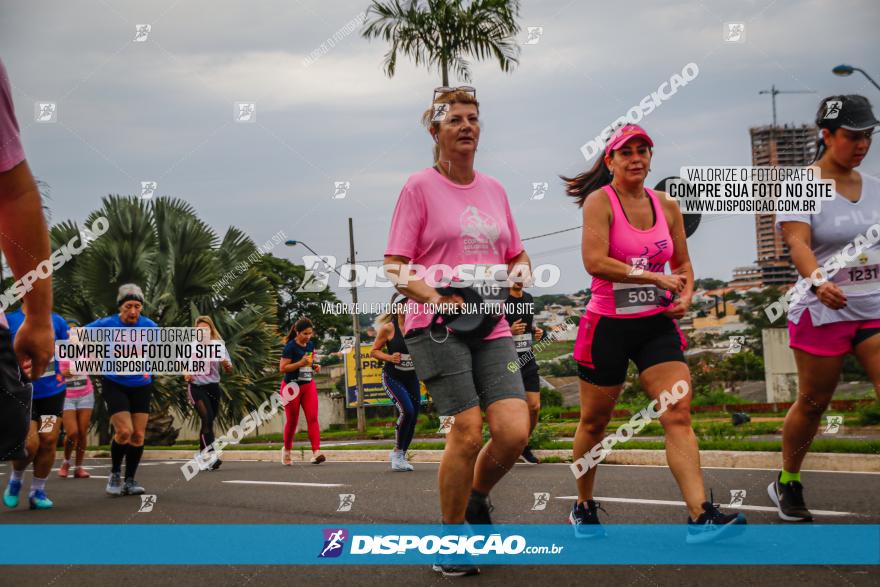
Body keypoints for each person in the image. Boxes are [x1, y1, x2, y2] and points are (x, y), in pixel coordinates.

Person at [563, 124, 745, 542]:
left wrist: (685, 293)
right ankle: (583, 506)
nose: (636, 158)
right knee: (594, 423)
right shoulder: (599, 202)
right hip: (607, 327)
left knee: (677, 413)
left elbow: (682, 264)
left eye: (643, 150)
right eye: (626, 152)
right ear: (610, 161)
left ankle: (700, 517)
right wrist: (650, 276)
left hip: (654, 327)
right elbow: (594, 261)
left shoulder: (667, 205)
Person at [383, 87, 531, 577]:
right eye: (454, 121)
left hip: (491, 323)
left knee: (512, 431)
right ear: (436, 131)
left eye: (472, 119)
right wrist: (433, 297)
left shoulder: (495, 190)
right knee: (467, 432)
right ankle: (449, 540)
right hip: (437, 325)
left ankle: (477, 498)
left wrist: (520, 273)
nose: (466, 126)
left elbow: (516, 253)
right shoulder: (418, 187)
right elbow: (395, 266)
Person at [770, 95, 880, 522]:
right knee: (814, 403)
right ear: (827, 135)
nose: (861, 145)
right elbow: (797, 242)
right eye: (852, 136)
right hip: (822, 309)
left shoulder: (875, 186)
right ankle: (789, 479)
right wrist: (818, 282)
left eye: (867, 137)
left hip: (873, 307)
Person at [0, 57, 55, 465]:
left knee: (36, 443)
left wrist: (40, 318)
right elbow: (12, 195)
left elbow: (12, 194)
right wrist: (36, 316)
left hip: (52, 392)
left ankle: (31, 485)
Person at [87, 284, 157, 496]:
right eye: (129, 306)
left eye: (137, 306)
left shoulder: (150, 326)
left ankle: (130, 480)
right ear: (120, 307)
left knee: (137, 436)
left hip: (141, 385)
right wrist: (92, 356)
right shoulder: (106, 324)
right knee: (124, 432)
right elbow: (77, 335)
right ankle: (115, 473)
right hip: (114, 383)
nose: (133, 311)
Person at [3, 310, 68, 509]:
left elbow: (66, 352)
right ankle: (16, 480)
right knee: (30, 445)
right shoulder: (10, 320)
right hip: (24, 395)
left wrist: (67, 368)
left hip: (51, 394)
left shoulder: (57, 321)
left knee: (48, 440)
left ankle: (37, 491)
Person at [370, 297, 421, 471]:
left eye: (411, 306)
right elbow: (374, 351)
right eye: (404, 306)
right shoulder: (388, 328)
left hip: (411, 378)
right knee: (407, 410)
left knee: (414, 416)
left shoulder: (418, 326)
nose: (407, 309)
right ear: (397, 307)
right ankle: (397, 452)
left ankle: (401, 455)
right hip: (393, 378)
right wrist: (390, 357)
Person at [504, 281, 544, 464]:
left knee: (534, 407)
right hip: (506, 360)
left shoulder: (528, 298)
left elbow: (528, 325)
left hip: (527, 358)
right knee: (511, 409)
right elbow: (488, 328)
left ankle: (522, 444)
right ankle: (510, 445)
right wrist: (509, 331)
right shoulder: (500, 298)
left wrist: (536, 331)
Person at [185, 315, 232, 471]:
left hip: (213, 387)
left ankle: (202, 456)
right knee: (207, 418)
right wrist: (186, 374)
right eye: (199, 330)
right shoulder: (190, 347)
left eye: (206, 329)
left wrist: (226, 364)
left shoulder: (218, 346)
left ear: (211, 330)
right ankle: (211, 457)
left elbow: (228, 369)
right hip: (196, 387)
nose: (203, 332)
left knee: (209, 422)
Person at [279, 317, 325, 465]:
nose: (308, 337)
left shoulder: (310, 345)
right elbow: (282, 368)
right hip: (291, 387)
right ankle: (286, 451)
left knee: (312, 418)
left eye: (310, 333)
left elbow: (309, 362)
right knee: (292, 422)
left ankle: (316, 452)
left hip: (308, 384)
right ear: (297, 332)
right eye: (305, 333)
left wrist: (314, 366)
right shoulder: (290, 347)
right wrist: (300, 363)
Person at [59, 320, 95, 479]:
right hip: (66, 395)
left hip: (85, 393)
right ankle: (66, 461)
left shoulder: (86, 349)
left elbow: (94, 365)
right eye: (70, 331)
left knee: (82, 432)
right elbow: (55, 371)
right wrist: (63, 373)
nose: (72, 333)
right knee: (72, 432)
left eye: (76, 331)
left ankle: (79, 467)